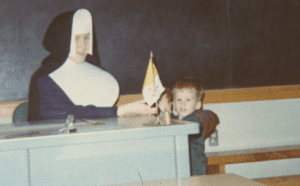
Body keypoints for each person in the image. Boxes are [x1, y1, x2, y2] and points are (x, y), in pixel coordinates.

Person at [28, 9, 156, 122]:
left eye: (87, 38)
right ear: (63, 40)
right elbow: (66, 114)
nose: (83, 46)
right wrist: (120, 111)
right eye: (76, 39)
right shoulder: (44, 78)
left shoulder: (96, 70)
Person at [158, 77, 219, 175]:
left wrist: (166, 113)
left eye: (188, 100)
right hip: (178, 169)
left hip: (194, 172)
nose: (183, 104)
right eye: (178, 100)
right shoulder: (174, 119)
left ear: (198, 105)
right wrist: (164, 112)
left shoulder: (196, 120)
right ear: (173, 103)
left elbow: (179, 128)